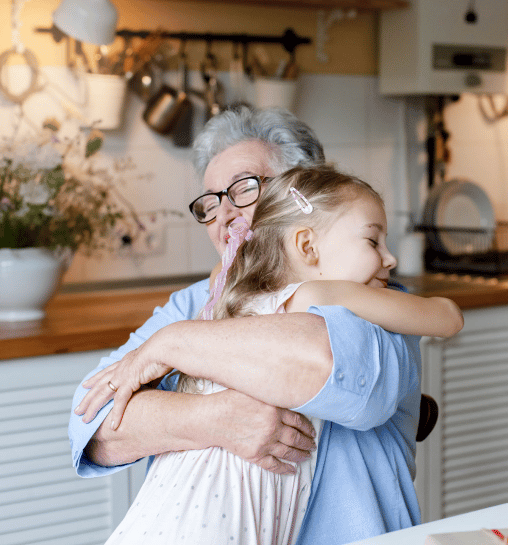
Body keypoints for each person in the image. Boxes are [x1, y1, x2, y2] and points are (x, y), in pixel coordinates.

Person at [68, 106, 432, 544]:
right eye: (210, 201)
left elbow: (322, 365)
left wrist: (174, 346)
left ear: (304, 197)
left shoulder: (373, 295)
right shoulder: (191, 304)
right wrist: (211, 417)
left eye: (242, 189)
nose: (223, 215)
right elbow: (94, 419)